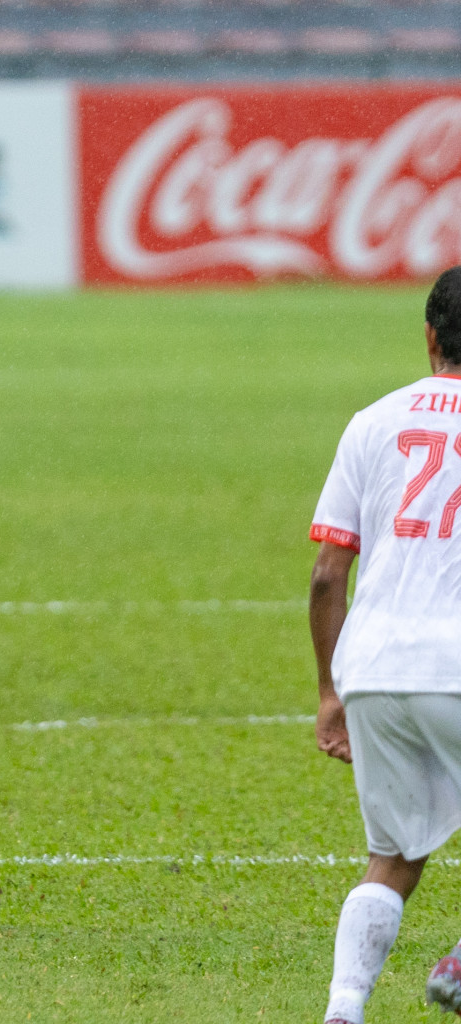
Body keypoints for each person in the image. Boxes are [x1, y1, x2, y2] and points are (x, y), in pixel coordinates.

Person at [310, 267, 461, 1022]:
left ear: (429, 336)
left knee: (394, 858)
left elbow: (326, 575)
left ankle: (343, 1009)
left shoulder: (372, 421)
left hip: (374, 665)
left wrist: (331, 690)